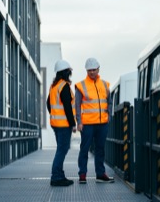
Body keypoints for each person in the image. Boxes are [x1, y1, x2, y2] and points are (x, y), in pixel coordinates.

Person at [75, 57, 114, 183]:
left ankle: (100, 174)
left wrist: (109, 117)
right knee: (84, 149)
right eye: (89, 70)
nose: (92, 72)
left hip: (102, 123)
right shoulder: (81, 86)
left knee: (100, 148)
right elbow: (77, 105)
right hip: (87, 124)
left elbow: (109, 102)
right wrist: (79, 122)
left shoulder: (105, 85)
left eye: (94, 70)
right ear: (86, 71)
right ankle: (82, 174)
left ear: (98, 69)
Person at [47, 59, 76, 187]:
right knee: (62, 150)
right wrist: (73, 123)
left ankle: (60, 174)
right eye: (69, 71)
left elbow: (48, 103)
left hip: (55, 123)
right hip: (64, 125)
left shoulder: (54, 86)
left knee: (61, 149)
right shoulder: (64, 86)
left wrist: (54, 115)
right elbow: (68, 108)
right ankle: (56, 177)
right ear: (66, 72)